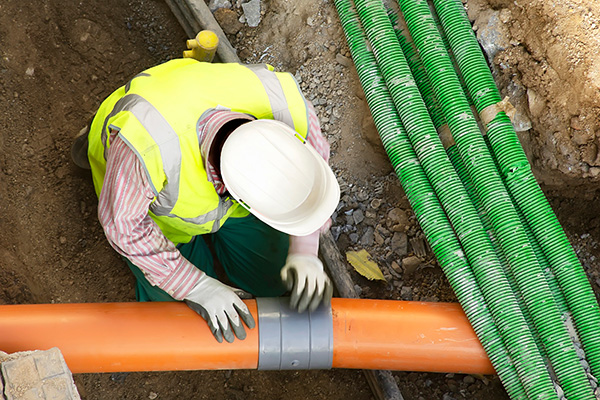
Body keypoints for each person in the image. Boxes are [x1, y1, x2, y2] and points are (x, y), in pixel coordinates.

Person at [72, 59, 340, 343]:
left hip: (214, 186)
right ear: (235, 194)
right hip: (156, 208)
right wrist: (197, 287)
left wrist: (305, 250)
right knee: (182, 322)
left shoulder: (287, 105)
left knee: (271, 282)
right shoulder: (145, 149)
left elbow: (312, 178)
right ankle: (93, 135)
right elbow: (124, 227)